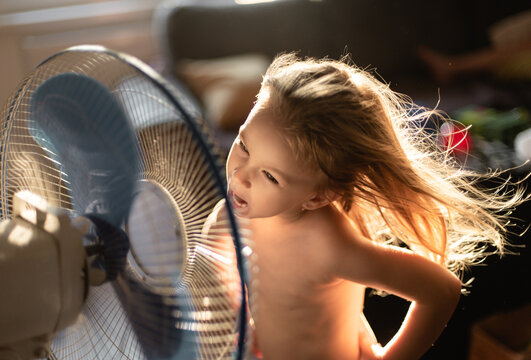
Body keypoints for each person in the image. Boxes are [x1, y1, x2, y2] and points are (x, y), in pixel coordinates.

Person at [205, 53, 525, 360]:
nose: (240, 175)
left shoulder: (329, 247)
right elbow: (213, 253)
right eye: (244, 145)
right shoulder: (237, 208)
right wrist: (238, 312)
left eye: (270, 176)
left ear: (318, 197)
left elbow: (441, 290)